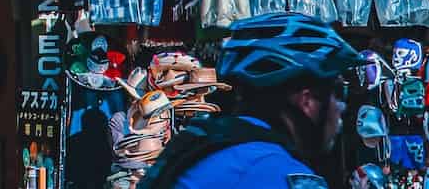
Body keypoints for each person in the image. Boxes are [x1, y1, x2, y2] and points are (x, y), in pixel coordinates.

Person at [140, 12, 359, 189]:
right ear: (307, 100)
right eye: (339, 93)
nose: (342, 107)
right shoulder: (273, 169)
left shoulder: (199, 144)